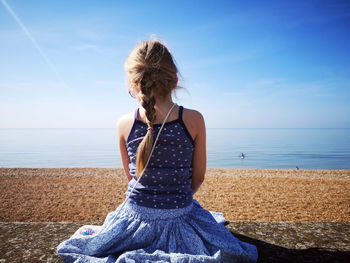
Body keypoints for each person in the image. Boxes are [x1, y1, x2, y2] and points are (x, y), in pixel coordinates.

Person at [57, 39, 258, 262]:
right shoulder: (193, 119)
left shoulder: (124, 124)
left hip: (135, 218)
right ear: (175, 81)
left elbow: (132, 177)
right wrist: (174, 200)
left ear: (133, 83)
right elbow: (199, 177)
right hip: (180, 213)